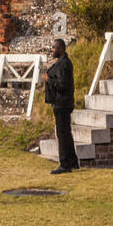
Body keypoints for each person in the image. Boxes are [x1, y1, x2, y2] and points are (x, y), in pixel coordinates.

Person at [42, 38, 78, 174]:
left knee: (62, 134)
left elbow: (62, 85)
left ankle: (65, 164)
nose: (52, 50)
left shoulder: (63, 64)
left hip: (62, 103)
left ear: (61, 49)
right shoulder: (62, 62)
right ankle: (72, 161)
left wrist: (48, 80)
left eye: (54, 48)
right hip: (63, 103)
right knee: (66, 133)